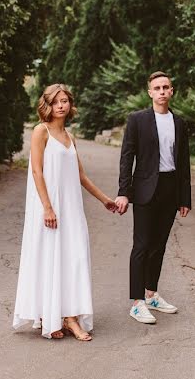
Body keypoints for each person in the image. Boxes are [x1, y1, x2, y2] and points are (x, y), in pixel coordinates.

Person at [13, 84, 118, 341]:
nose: (61, 105)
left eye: (65, 101)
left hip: (72, 208)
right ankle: (56, 316)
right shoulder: (41, 131)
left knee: (75, 257)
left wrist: (105, 200)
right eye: (56, 101)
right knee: (51, 258)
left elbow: (80, 175)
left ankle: (68, 317)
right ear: (47, 105)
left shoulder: (71, 137)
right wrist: (47, 207)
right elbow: (36, 171)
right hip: (50, 207)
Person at [114, 71, 191, 324]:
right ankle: (137, 302)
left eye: (165, 87)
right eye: (156, 88)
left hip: (170, 189)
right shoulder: (137, 120)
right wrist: (124, 192)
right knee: (142, 245)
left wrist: (184, 198)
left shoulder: (179, 123)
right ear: (150, 93)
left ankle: (151, 294)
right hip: (146, 189)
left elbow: (184, 162)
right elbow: (127, 157)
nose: (161, 91)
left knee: (159, 245)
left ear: (171, 91)